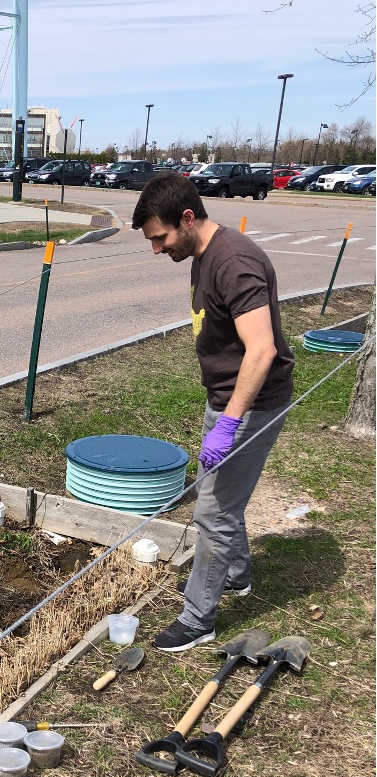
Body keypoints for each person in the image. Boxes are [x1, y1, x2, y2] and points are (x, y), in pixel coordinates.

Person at [131, 171, 294, 653]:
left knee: (213, 512)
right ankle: (237, 575)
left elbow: (261, 350)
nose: (157, 249)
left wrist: (229, 423)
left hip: (250, 405)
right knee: (218, 492)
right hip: (225, 399)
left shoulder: (235, 261)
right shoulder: (202, 253)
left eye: (160, 238)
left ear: (187, 218)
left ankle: (198, 617)